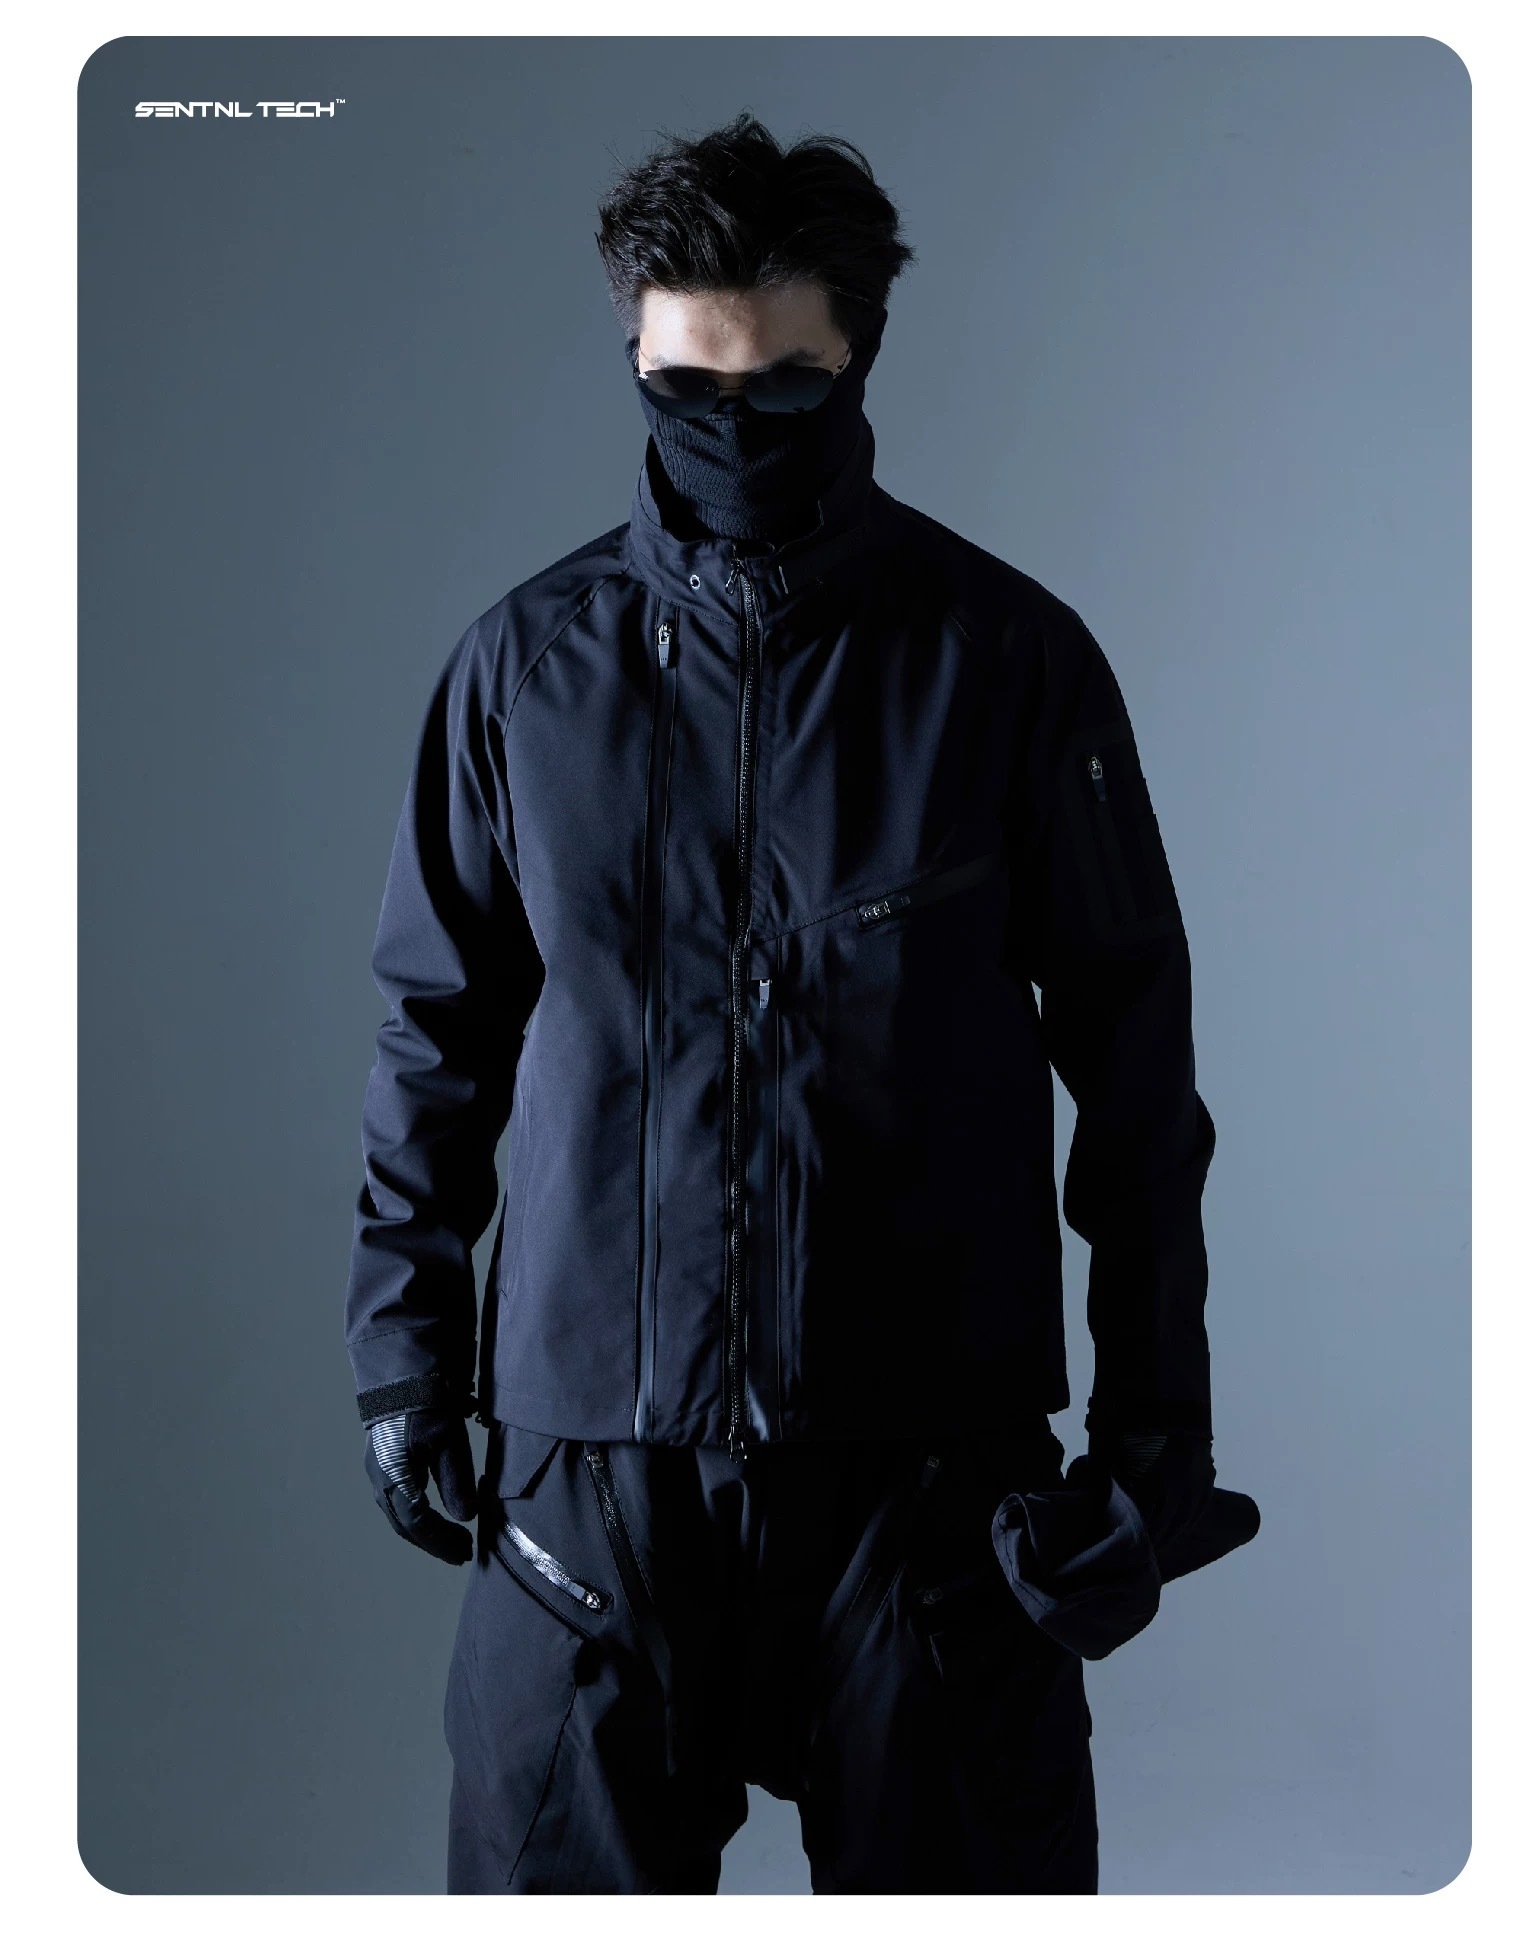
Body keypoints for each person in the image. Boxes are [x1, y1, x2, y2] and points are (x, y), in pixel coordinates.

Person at [342, 111, 1221, 1894]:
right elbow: (437, 1035)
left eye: (784, 385)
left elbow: (1134, 1067)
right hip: (590, 1480)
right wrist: (401, 1355)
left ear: (858, 359)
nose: (732, 426)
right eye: (686, 386)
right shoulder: (522, 673)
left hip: (927, 1488)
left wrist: (1153, 1443)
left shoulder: (1005, 660)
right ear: (633, 355)